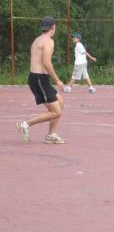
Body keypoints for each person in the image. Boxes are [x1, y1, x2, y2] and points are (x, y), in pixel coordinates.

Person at [16, 16, 65, 144]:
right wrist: (57, 80)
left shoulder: (37, 39)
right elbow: (47, 63)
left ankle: (51, 135)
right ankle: (25, 124)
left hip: (38, 78)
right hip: (39, 78)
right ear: (53, 27)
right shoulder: (48, 41)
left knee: (60, 101)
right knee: (56, 112)